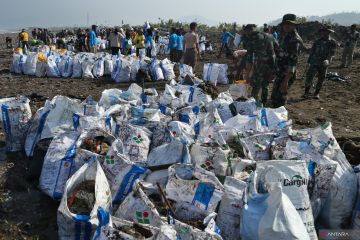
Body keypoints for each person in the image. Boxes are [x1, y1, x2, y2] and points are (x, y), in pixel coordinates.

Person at [271, 14, 304, 108]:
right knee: (274, 98)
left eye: (290, 24)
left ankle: (279, 118)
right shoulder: (284, 37)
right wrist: (274, 71)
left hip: (286, 74)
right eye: (285, 24)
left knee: (280, 100)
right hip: (280, 72)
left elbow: (293, 62)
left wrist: (286, 81)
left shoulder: (294, 40)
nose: (287, 26)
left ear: (294, 25)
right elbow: (279, 56)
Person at [242, 24, 276, 106]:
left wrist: (247, 75)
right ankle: (264, 102)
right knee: (265, 84)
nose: (246, 34)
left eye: (246, 32)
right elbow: (277, 49)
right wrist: (274, 70)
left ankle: (256, 106)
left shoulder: (252, 39)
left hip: (260, 67)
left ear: (248, 31)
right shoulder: (270, 36)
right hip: (271, 64)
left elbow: (249, 58)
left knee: (255, 86)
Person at [303, 25, 337, 99]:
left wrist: (328, 60)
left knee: (321, 78)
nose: (325, 33)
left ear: (329, 32)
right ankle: (306, 92)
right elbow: (312, 51)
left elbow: (332, 53)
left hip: (324, 63)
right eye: (324, 31)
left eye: (327, 32)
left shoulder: (332, 42)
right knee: (309, 76)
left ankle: (316, 93)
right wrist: (309, 60)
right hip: (314, 62)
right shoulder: (318, 41)